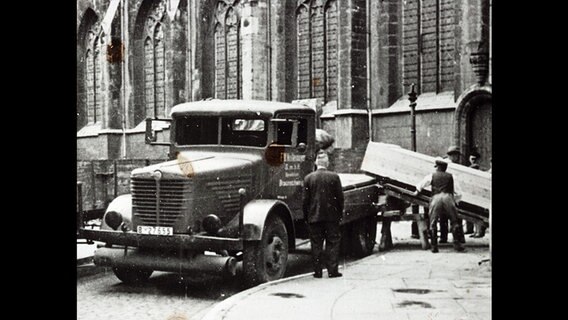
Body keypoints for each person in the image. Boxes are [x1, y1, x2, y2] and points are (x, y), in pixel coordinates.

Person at [303, 151, 344, 278]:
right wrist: (339, 213)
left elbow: (305, 201)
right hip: (332, 217)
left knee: (316, 244)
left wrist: (307, 216)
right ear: (327, 163)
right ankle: (332, 271)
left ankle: (318, 272)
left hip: (314, 217)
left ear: (316, 163)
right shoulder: (334, 177)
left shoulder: (308, 178)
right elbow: (340, 198)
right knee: (332, 243)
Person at [413, 157, 465, 253]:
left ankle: (434, 246)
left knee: (433, 222)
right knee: (454, 221)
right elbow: (458, 192)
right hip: (448, 197)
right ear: (445, 167)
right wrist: (455, 201)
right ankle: (457, 245)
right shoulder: (452, 176)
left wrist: (417, 191)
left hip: (436, 198)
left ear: (437, 167)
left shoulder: (431, 176)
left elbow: (422, 184)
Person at [440, 146, 465, 243]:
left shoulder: (449, 164)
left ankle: (444, 237)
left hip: (445, 195)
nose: (458, 158)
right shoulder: (449, 166)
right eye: (457, 155)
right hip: (450, 194)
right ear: (452, 155)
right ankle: (458, 237)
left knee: (444, 217)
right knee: (455, 218)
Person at [465, 151, 481, 235]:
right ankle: (474, 230)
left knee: (476, 212)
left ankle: (478, 231)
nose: (473, 161)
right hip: (471, 191)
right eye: (472, 159)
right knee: (473, 211)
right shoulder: (470, 167)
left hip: (475, 192)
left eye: (475, 159)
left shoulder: (475, 167)